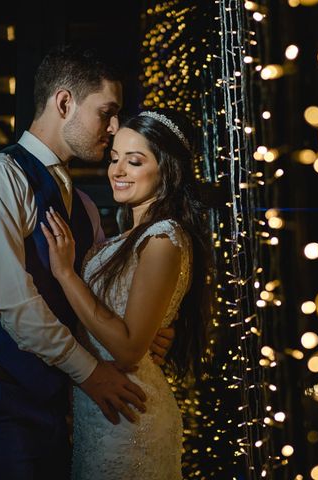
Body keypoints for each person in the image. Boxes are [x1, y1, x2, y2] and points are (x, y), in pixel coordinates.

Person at [0, 45, 175, 479]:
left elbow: (99, 296)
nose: (113, 127)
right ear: (64, 102)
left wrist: (146, 329)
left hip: (59, 405)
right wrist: (90, 373)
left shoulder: (84, 205)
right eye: (106, 112)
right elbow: (11, 300)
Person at [41, 108, 212, 479]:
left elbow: (131, 348)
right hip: (99, 412)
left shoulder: (164, 238)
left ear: (167, 169)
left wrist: (65, 273)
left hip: (131, 416)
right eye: (114, 158)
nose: (117, 171)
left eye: (133, 162)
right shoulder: (121, 240)